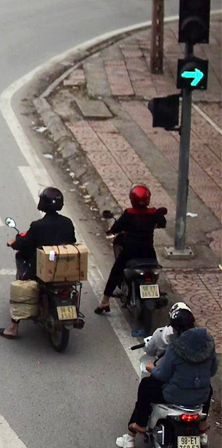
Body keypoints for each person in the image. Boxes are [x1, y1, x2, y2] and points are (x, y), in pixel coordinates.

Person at [115, 308, 216, 448]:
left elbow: (163, 375)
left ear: (176, 328)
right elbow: (213, 370)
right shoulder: (208, 343)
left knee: (146, 385)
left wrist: (152, 368)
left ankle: (140, 424)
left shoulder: (175, 347)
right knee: (208, 388)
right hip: (201, 397)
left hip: (174, 396)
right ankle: (202, 424)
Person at [0, 187, 76, 339]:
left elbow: (25, 243)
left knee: (22, 283)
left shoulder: (38, 226)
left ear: (43, 203)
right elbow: (72, 241)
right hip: (64, 268)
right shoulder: (67, 222)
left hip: (41, 269)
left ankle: (13, 328)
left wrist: (14, 243)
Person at [95, 184, 167, 315]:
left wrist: (111, 230)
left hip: (130, 252)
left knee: (116, 271)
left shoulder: (129, 213)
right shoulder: (153, 213)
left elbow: (116, 227)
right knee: (155, 268)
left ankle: (105, 301)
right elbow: (162, 223)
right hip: (148, 252)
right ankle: (155, 290)